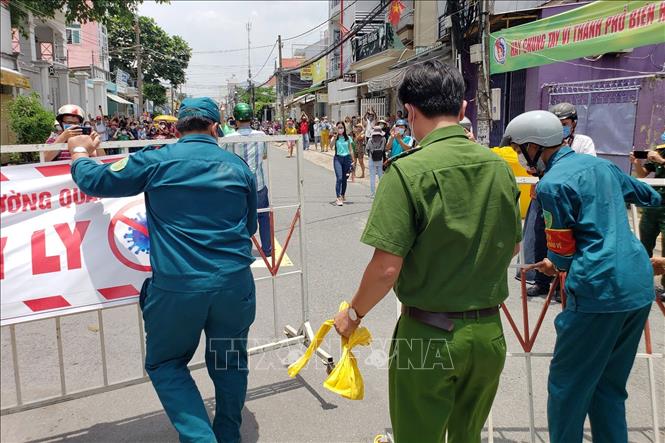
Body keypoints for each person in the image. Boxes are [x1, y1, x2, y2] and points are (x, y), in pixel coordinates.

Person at [333, 60, 522, 442]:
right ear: (463, 109)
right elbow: (513, 243)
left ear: (409, 112)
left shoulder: (406, 171)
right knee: (468, 436)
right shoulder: (500, 168)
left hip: (429, 335)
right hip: (488, 334)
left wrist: (352, 315)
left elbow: (387, 269)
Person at [67, 97, 258, 443]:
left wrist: (79, 152)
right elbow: (249, 227)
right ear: (216, 128)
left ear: (177, 128)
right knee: (229, 362)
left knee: (166, 364)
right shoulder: (239, 167)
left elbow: (96, 181)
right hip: (234, 286)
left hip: (178, 288)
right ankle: (228, 434)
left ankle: (201, 438)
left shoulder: (157, 160)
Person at [503, 110, 661, 443]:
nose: (520, 157)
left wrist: (553, 264)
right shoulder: (602, 166)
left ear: (535, 146)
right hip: (638, 287)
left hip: (597, 290)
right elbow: (650, 196)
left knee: (567, 390)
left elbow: (561, 253)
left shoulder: (552, 185)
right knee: (608, 389)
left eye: (520, 149)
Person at [221, 102, 272, 258]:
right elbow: (264, 155)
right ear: (251, 118)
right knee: (263, 216)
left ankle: (240, 249)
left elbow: (224, 159)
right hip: (259, 182)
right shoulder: (262, 136)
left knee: (238, 217)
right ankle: (267, 249)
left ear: (235, 119)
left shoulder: (229, 138)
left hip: (237, 184)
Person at [631, 130, 665, 295]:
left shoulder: (660, 155)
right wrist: (637, 162)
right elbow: (643, 174)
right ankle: (641, 281)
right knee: (644, 243)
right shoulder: (660, 149)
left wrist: (662, 161)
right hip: (654, 204)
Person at [330, 121, 355, 206]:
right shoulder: (335, 137)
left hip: (347, 159)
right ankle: (338, 197)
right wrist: (335, 136)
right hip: (338, 158)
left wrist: (353, 160)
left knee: (345, 178)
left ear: (344, 128)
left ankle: (343, 194)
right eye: (339, 127)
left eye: (341, 127)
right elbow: (331, 146)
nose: (340, 129)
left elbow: (351, 149)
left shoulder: (348, 138)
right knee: (339, 178)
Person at [365, 125, 386, 198]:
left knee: (372, 177)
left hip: (372, 159)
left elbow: (367, 149)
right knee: (381, 176)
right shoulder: (383, 139)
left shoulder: (370, 140)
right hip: (380, 159)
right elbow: (383, 149)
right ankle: (383, 192)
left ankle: (373, 193)